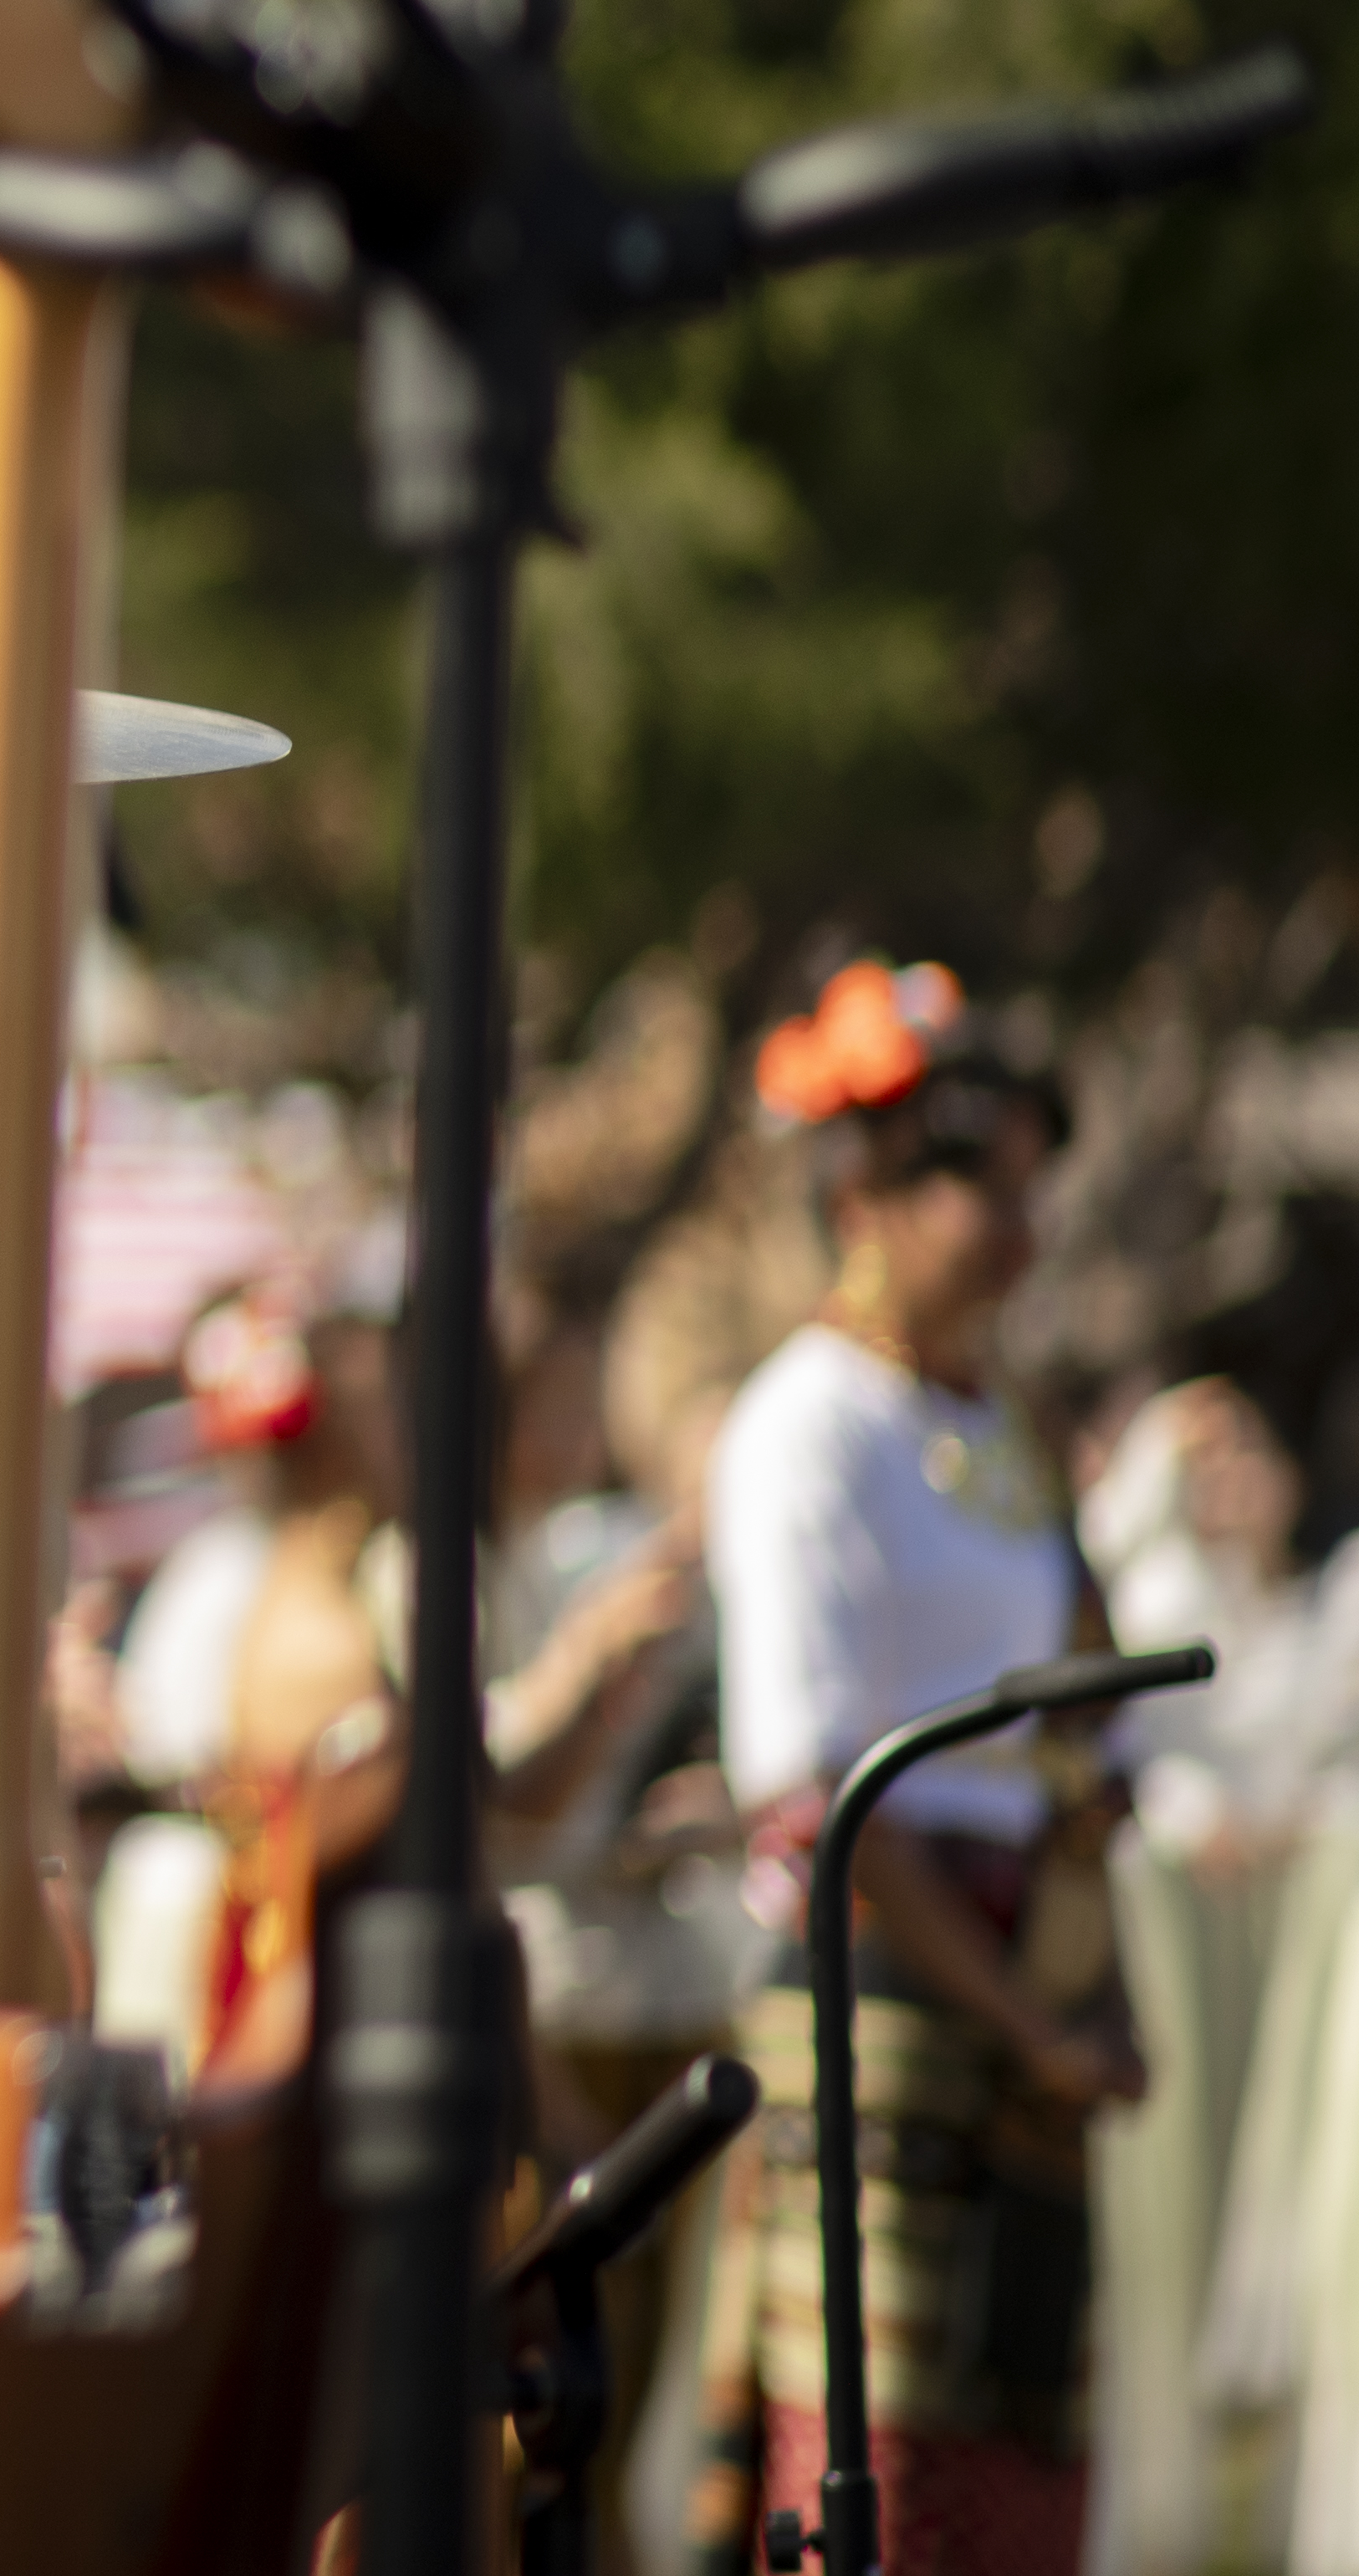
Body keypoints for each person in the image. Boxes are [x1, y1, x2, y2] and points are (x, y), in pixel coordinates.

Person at [693, 960, 1128, 2576]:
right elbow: (815, 1780)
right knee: (878, 2442)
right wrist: (1027, 2019)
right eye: (974, 1181)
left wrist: (1092, 1997)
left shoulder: (995, 1428)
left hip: (1029, 1970)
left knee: (1027, 2427)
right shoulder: (809, 1423)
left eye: (1029, 1186)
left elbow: (1086, 1718)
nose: (1014, 1226)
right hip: (883, 1980)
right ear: (861, 1190)